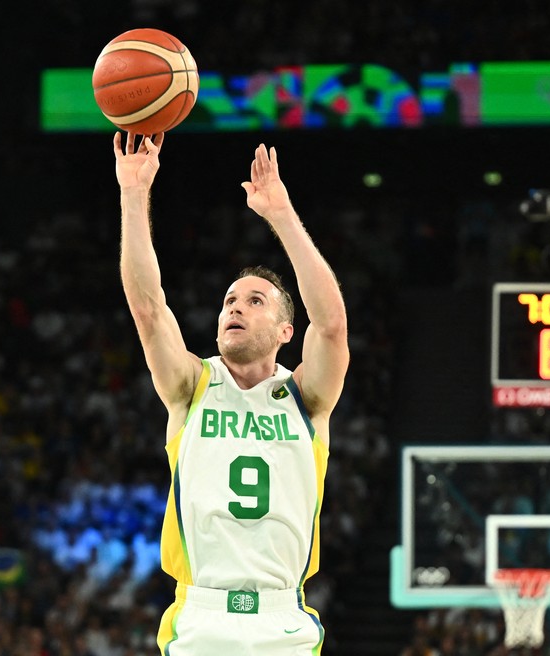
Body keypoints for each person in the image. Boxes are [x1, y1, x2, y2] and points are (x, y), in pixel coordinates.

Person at [113, 131, 350, 656]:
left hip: (282, 619)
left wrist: (282, 216)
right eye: (229, 300)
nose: (235, 308)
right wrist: (134, 194)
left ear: (287, 331)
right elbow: (149, 310)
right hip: (201, 618)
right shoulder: (191, 385)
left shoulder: (307, 397)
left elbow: (332, 325)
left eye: (255, 300)